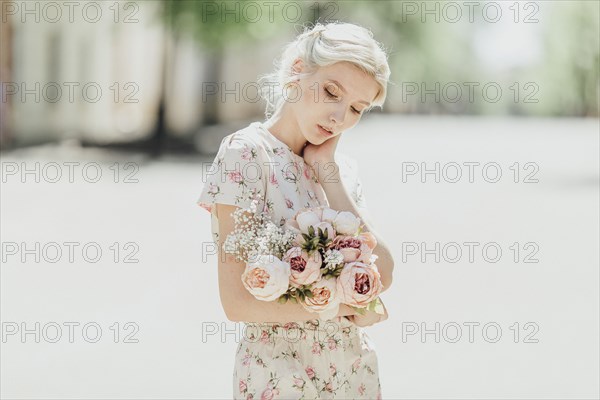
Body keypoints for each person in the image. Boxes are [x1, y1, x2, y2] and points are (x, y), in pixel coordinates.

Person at [197, 21, 394, 399]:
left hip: (353, 375)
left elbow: (383, 271)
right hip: (279, 376)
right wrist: (343, 307)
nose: (340, 117)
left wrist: (328, 174)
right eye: (331, 92)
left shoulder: (341, 170)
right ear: (298, 71)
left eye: (356, 108)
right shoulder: (246, 154)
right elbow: (237, 303)